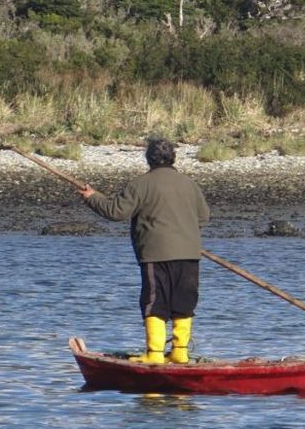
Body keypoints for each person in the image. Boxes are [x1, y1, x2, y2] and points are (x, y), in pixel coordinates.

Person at [78, 136, 210, 365]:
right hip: (189, 254)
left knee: (154, 301)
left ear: (149, 159)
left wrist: (93, 198)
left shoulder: (141, 184)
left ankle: (155, 354)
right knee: (184, 301)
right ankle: (180, 352)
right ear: (173, 158)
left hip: (156, 255)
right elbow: (203, 217)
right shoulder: (189, 184)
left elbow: (115, 211)